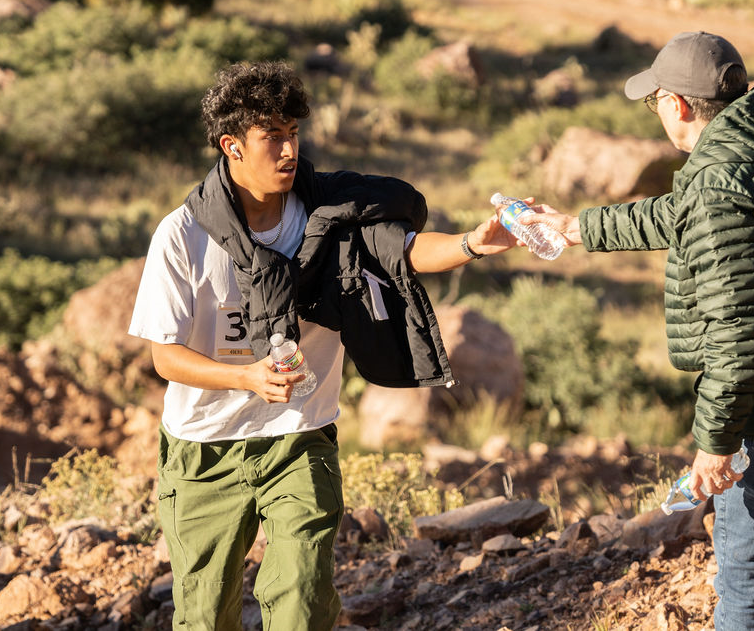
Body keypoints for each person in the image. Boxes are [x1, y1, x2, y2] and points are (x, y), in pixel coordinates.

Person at [527, 32, 754, 630]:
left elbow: (737, 330)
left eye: (654, 103)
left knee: (749, 584)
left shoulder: (718, 183)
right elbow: (683, 215)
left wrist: (715, 441)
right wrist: (575, 227)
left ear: (676, 104)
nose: (656, 114)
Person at [128, 60, 517, 630]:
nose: (289, 151)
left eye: (294, 135)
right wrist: (247, 377)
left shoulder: (329, 211)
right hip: (204, 447)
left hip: (298, 435)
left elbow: (401, 252)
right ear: (231, 145)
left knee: (304, 599)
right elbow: (165, 357)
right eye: (272, 138)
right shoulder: (183, 234)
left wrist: (472, 244)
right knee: (205, 616)